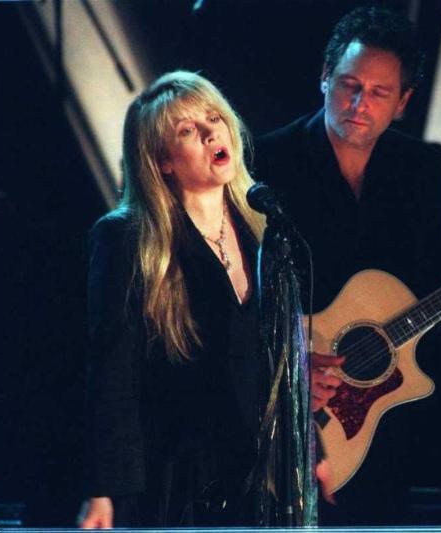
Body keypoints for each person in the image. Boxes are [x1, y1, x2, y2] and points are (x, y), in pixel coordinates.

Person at [254, 6, 441, 525]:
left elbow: (428, 280)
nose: (359, 104)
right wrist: (287, 364)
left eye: (379, 93)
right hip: (290, 412)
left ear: (403, 102)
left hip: (388, 416)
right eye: (348, 85)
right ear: (324, 77)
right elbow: (237, 290)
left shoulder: (419, 169)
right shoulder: (268, 162)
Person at [78, 71, 322, 529]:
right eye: (188, 130)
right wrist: (103, 490)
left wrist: (312, 451)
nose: (211, 133)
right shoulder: (127, 238)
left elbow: (284, 364)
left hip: (258, 479)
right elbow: (112, 371)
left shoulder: (264, 232)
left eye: (214, 118)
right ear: (162, 161)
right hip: (175, 478)